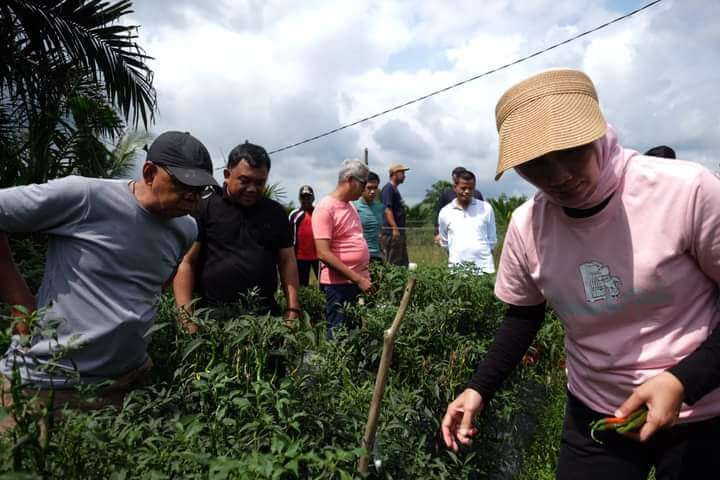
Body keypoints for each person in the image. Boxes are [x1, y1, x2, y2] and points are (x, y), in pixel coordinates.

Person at [441, 69, 720, 479]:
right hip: (598, 414)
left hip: (701, 412)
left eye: (570, 150)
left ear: (598, 133)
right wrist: (478, 387)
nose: (557, 176)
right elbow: (523, 316)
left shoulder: (687, 191)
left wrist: (684, 379)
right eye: (534, 163)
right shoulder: (527, 225)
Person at [0, 131, 218, 426]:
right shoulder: (86, 197)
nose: (191, 198)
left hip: (126, 386)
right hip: (44, 384)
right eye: (183, 185)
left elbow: (159, 281)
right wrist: (19, 300)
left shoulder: (186, 229)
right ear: (149, 172)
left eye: (200, 189)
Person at [173, 141, 301, 330]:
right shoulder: (205, 207)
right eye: (244, 180)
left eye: (259, 183)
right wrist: (187, 318)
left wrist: (293, 309)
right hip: (213, 318)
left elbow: (287, 261)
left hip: (264, 319)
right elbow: (187, 262)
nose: (252, 189)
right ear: (226, 175)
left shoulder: (275, 213)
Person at [312, 159, 371, 338]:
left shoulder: (350, 205)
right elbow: (323, 253)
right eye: (362, 184)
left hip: (355, 282)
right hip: (338, 286)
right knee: (338, 334)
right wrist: (357, 279)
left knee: (354, 334)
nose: (364, 189)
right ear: (350, 179)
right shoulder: (325, 208)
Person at [438, 170, 496, 273]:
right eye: (463, 188)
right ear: (455, 188)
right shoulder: (445, 212)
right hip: (457, 271)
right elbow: (445, 242)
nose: (467, 191)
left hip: (484, 269)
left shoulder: (486, 208)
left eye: (471, 188)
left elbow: (492, 240)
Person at [434, 167, 484, 245]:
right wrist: (437, 233)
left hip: (474, 233)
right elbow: (439, 214)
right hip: (453, 233)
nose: (466, 191)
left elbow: (483, 213)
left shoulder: (476, 194)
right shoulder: (446, 194)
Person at [289, 185, 319, 286]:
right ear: (299, 199)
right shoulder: (294, 214)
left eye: (308, 197)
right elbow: (289, 236)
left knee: (323, 284)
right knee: (302, 285)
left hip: (318, 256)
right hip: (300, 257)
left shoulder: (319, 213)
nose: (306, 200)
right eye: (303, 197)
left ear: (313, 198)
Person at [380, 163, 409, 266]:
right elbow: (387, 209)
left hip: (398, 232)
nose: (404, 175)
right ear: (394, 174)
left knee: (402, 263)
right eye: (402, 173)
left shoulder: (395, 189)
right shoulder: (388, 188)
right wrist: (394, 228)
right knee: (392, 263)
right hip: (391, 233)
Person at [353, 171, 384, 263]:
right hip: (360, 256)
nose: (372, 191)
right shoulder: (353, 206)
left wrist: (383, 252)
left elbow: (379, 232)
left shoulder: (379, 207)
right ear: (362, 188)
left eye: (375, 188)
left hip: (376, 257)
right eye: (369, 188)